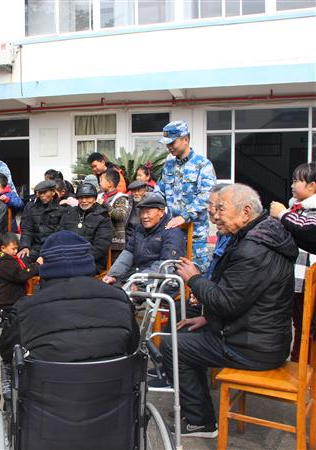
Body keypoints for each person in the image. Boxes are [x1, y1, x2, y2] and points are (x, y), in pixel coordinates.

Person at [160, 184, 297, 438]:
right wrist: (207, 318)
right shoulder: (263, 235)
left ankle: (200, 421)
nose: (215, 215)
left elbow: (227, 302)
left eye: (221, 209)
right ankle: (196, 410)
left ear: (246, 212)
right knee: (185, 331)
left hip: (253, 347)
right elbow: (244, 298)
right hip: (261, 337)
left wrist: (194, 279)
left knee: (172, 346)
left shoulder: (253, 248)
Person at [0, 231, 139, 363]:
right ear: (87, 261)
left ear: (46, 266)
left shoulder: (25, 309)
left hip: (48, 380)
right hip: (112, 380)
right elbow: (132, 347)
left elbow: (7, 353)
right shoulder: (120, 300)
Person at [270, 162, 316, 362]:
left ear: (312, 186)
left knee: (307, 325)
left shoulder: (310, 209)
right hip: (296, 277)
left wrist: (282, 214)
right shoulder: (296, 208)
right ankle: (298, 361)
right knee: (298, 323)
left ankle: (306, 364)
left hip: (308, 278)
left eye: (297, 181)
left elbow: (306, 229)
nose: (292, 185)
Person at [156, 120, 216, 273]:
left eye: (172, 143)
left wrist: (184, 216)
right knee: (172, 274)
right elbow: (159, 192)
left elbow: (206, 195)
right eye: (167, 144)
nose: (169, 147)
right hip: (172, 232)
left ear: (185, 139)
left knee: (197, 274)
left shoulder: (203, 165)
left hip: (195, 234)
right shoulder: (168, 166)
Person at [102, 193, 186, 286]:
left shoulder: (172, 232)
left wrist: (138, 281)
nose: (144, 216)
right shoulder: (139, 229)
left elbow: (166, 265)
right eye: (142, 212)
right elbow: (128, 253)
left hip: (158, 282)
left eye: (148, 212)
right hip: (135, 276)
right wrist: (113, 275)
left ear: (161, 212)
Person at [58, 183, 113, 273]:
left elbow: (100, 248)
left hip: (91, 261)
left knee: (67, 273)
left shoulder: (103, 217)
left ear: (95, 199)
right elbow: (58, 236)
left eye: (88, 197)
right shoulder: (69, 214)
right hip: (66, 259)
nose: (84, 201)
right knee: (48, 271)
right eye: (81, 197)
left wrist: (76, 259)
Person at [0, 232, 40, 313]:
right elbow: (21, 276)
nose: (16, 251)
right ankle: (3, 314)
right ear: (3, 248)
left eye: (17, 248)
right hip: (9, 300)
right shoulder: (5, 263)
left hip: (13, 298)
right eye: (13, 249)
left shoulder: (9, 259)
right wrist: (36, 265)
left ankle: (4, 313)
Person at [17, 180, 64, 262]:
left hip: (53, 249)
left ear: (53, 192)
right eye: (40, 193)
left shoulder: (62, 210)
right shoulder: (33, 209)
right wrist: (24, 247)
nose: (42, 195)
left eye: (44, 192)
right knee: (21, 260)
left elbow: (61, 233)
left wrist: (48, 252)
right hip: (35, 247)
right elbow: (28, 230)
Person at [99, 169, 129, 253]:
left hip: (115, 242)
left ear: (110, 183)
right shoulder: (99, 196)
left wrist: (104, 204)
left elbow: (120, 215)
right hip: (101, 239)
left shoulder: (121, 198)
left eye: (101, 180)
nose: (100, 183)